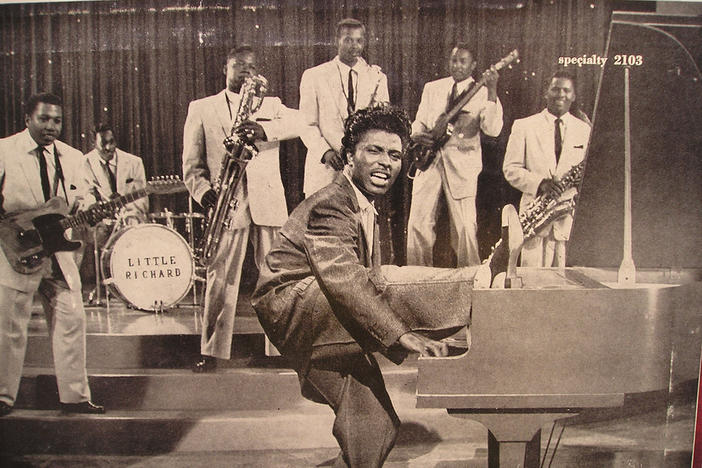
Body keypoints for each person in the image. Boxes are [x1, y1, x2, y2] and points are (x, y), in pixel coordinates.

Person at [252, 106, 523, 467]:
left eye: (395, 154)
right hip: (294, 308)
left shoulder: (363, 205)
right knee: (382, 280)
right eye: (374, 151)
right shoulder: (332, 203)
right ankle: (482, 278)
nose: (386, 163)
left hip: (327, 319)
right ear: (348, 157)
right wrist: (399, 334)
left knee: (375, 428)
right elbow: (345, 281)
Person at [182, 45, 301, 372]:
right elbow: (191, 167)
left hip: (267, 201)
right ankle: (212, 351)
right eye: (239, 66)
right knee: (220, 277)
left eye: (251, 66)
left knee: (275, 276)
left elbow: (306, 122)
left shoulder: (272, 105)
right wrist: (206, 195)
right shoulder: (202, 108)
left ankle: (279, 351)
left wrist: (266, 130)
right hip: (226, 202)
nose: (246, 71)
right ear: (226, 68)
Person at [0, 92, 105, 416]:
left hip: (59, 255)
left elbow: (83, 197)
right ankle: (3, 397)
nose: (51, 126)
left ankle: (74, 397)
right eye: (44, 119)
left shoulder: (73, 157)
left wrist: (90, 209)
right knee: (9, 326)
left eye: (56, 120)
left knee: (71, 319)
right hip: (16, 251)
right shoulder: (4, 150)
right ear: (27, 119)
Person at [406, 44, 503, 267]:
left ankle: (469, 282)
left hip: (462, 168)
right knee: (417, 225)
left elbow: (493, 129)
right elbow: (419, 122)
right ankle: (415, 279)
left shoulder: (482, 92)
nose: (457, 66)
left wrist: (492, 91)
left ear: (473, 65)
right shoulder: (433, 88)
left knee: (465, 229)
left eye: (463, 61)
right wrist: (418, 135)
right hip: (429, 162)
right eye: (454, 60)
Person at [503, 70, 591, 267]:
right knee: (531, 281)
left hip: (566, 221)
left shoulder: (585, 130)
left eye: (567, 90)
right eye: (556, 89)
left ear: (574, 96)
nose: (561, 94)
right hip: (534, 218)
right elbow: (510, 169)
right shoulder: (524, 126)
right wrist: (540, 183)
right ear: (546, 92)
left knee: (564, 284)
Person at [299, 18, 390, 197]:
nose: (354, 46)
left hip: (361, 168)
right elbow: (306, 124)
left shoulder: (377, 77)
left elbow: (380, 126)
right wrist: (325, 152)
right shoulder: (314, 76)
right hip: (324, 168)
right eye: (348, 40)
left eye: (359, 41)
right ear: (336, 40)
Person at [77, 123, 149, 299]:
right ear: (94, 145)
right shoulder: (84, 163)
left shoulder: (134, 162)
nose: (109, 148)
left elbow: (142, 199)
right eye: (103, 144)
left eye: (112, 142)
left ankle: (130, 285)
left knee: (133, 229)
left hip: (128, 218)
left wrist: (125, 214)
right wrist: (97, 207)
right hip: (101, 221)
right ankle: (103, 284)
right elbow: (84, 194)